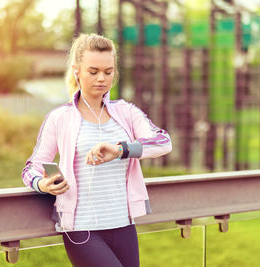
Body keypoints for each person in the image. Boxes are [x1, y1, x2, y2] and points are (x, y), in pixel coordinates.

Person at [22, 33, 172, 267]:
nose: (101, 78)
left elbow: (163, 142)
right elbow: (31, 168)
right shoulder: (59, 118)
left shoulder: (126, 112)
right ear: (77, 71)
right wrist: (42, 184)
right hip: (82, 229)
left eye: (108, 71)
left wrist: (121, 149)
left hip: (123, 225)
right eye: (93, 71)